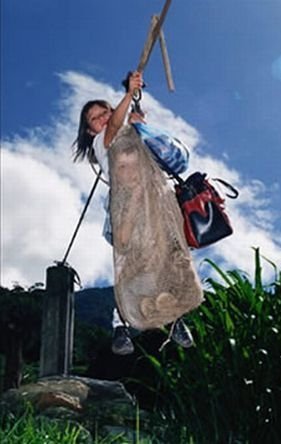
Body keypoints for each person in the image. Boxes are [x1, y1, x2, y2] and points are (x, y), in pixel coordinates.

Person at [74, 71, 203, 355]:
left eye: (105, 112)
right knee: (135, 265)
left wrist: (138, 121)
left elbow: (156, 151)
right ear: (90, 131)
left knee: (170, 260)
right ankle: (120, 324)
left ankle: (174, 319)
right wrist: (129, 95)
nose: (103, 118)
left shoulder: (128, 133)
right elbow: (114, 128)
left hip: (155, 206)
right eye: (95, 118)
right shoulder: (101, 143)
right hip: (127, 209)